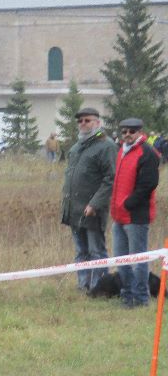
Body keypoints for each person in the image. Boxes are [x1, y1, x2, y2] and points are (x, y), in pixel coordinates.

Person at [61, 107, 117, 292]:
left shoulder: (106, 145)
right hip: (75, 209)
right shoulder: (77, 147)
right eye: (80, 121)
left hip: (93, 209)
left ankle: (99, 288)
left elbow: (110, 178)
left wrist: (95, 203)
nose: (83, 124)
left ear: (97, 123)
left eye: (87, 120)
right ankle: (83, 285)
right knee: (80, 251)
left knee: (96, 251)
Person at [110, 117, 159, 308]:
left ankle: (141, 298)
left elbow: (148, 184)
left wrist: (129, 203)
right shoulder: (122, 150)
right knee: (121, 259)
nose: (127, 135)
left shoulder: (148, 152)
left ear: (139, 132)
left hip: (136, 216)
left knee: (138, 260)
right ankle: (127, 295)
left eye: (132, 131)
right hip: (118, 215)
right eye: (124, 132)